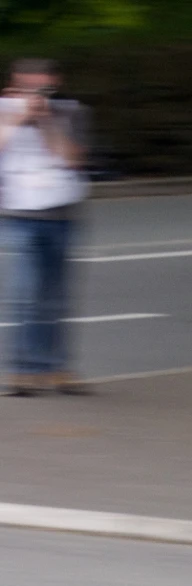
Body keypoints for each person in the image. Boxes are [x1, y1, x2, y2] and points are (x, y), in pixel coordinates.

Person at [0, 58, 89, 396]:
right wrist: (18, 117)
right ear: (15, 84)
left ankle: (57, 368)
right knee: (25, 294)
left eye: (42, 88)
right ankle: (22, 371)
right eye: (27, 87)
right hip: (21, 216)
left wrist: (46, 120)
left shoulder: (71, 113)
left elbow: (72, 159)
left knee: (55, 297)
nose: (35, 94)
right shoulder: (4, 111)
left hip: (62, 214)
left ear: (55, 83)